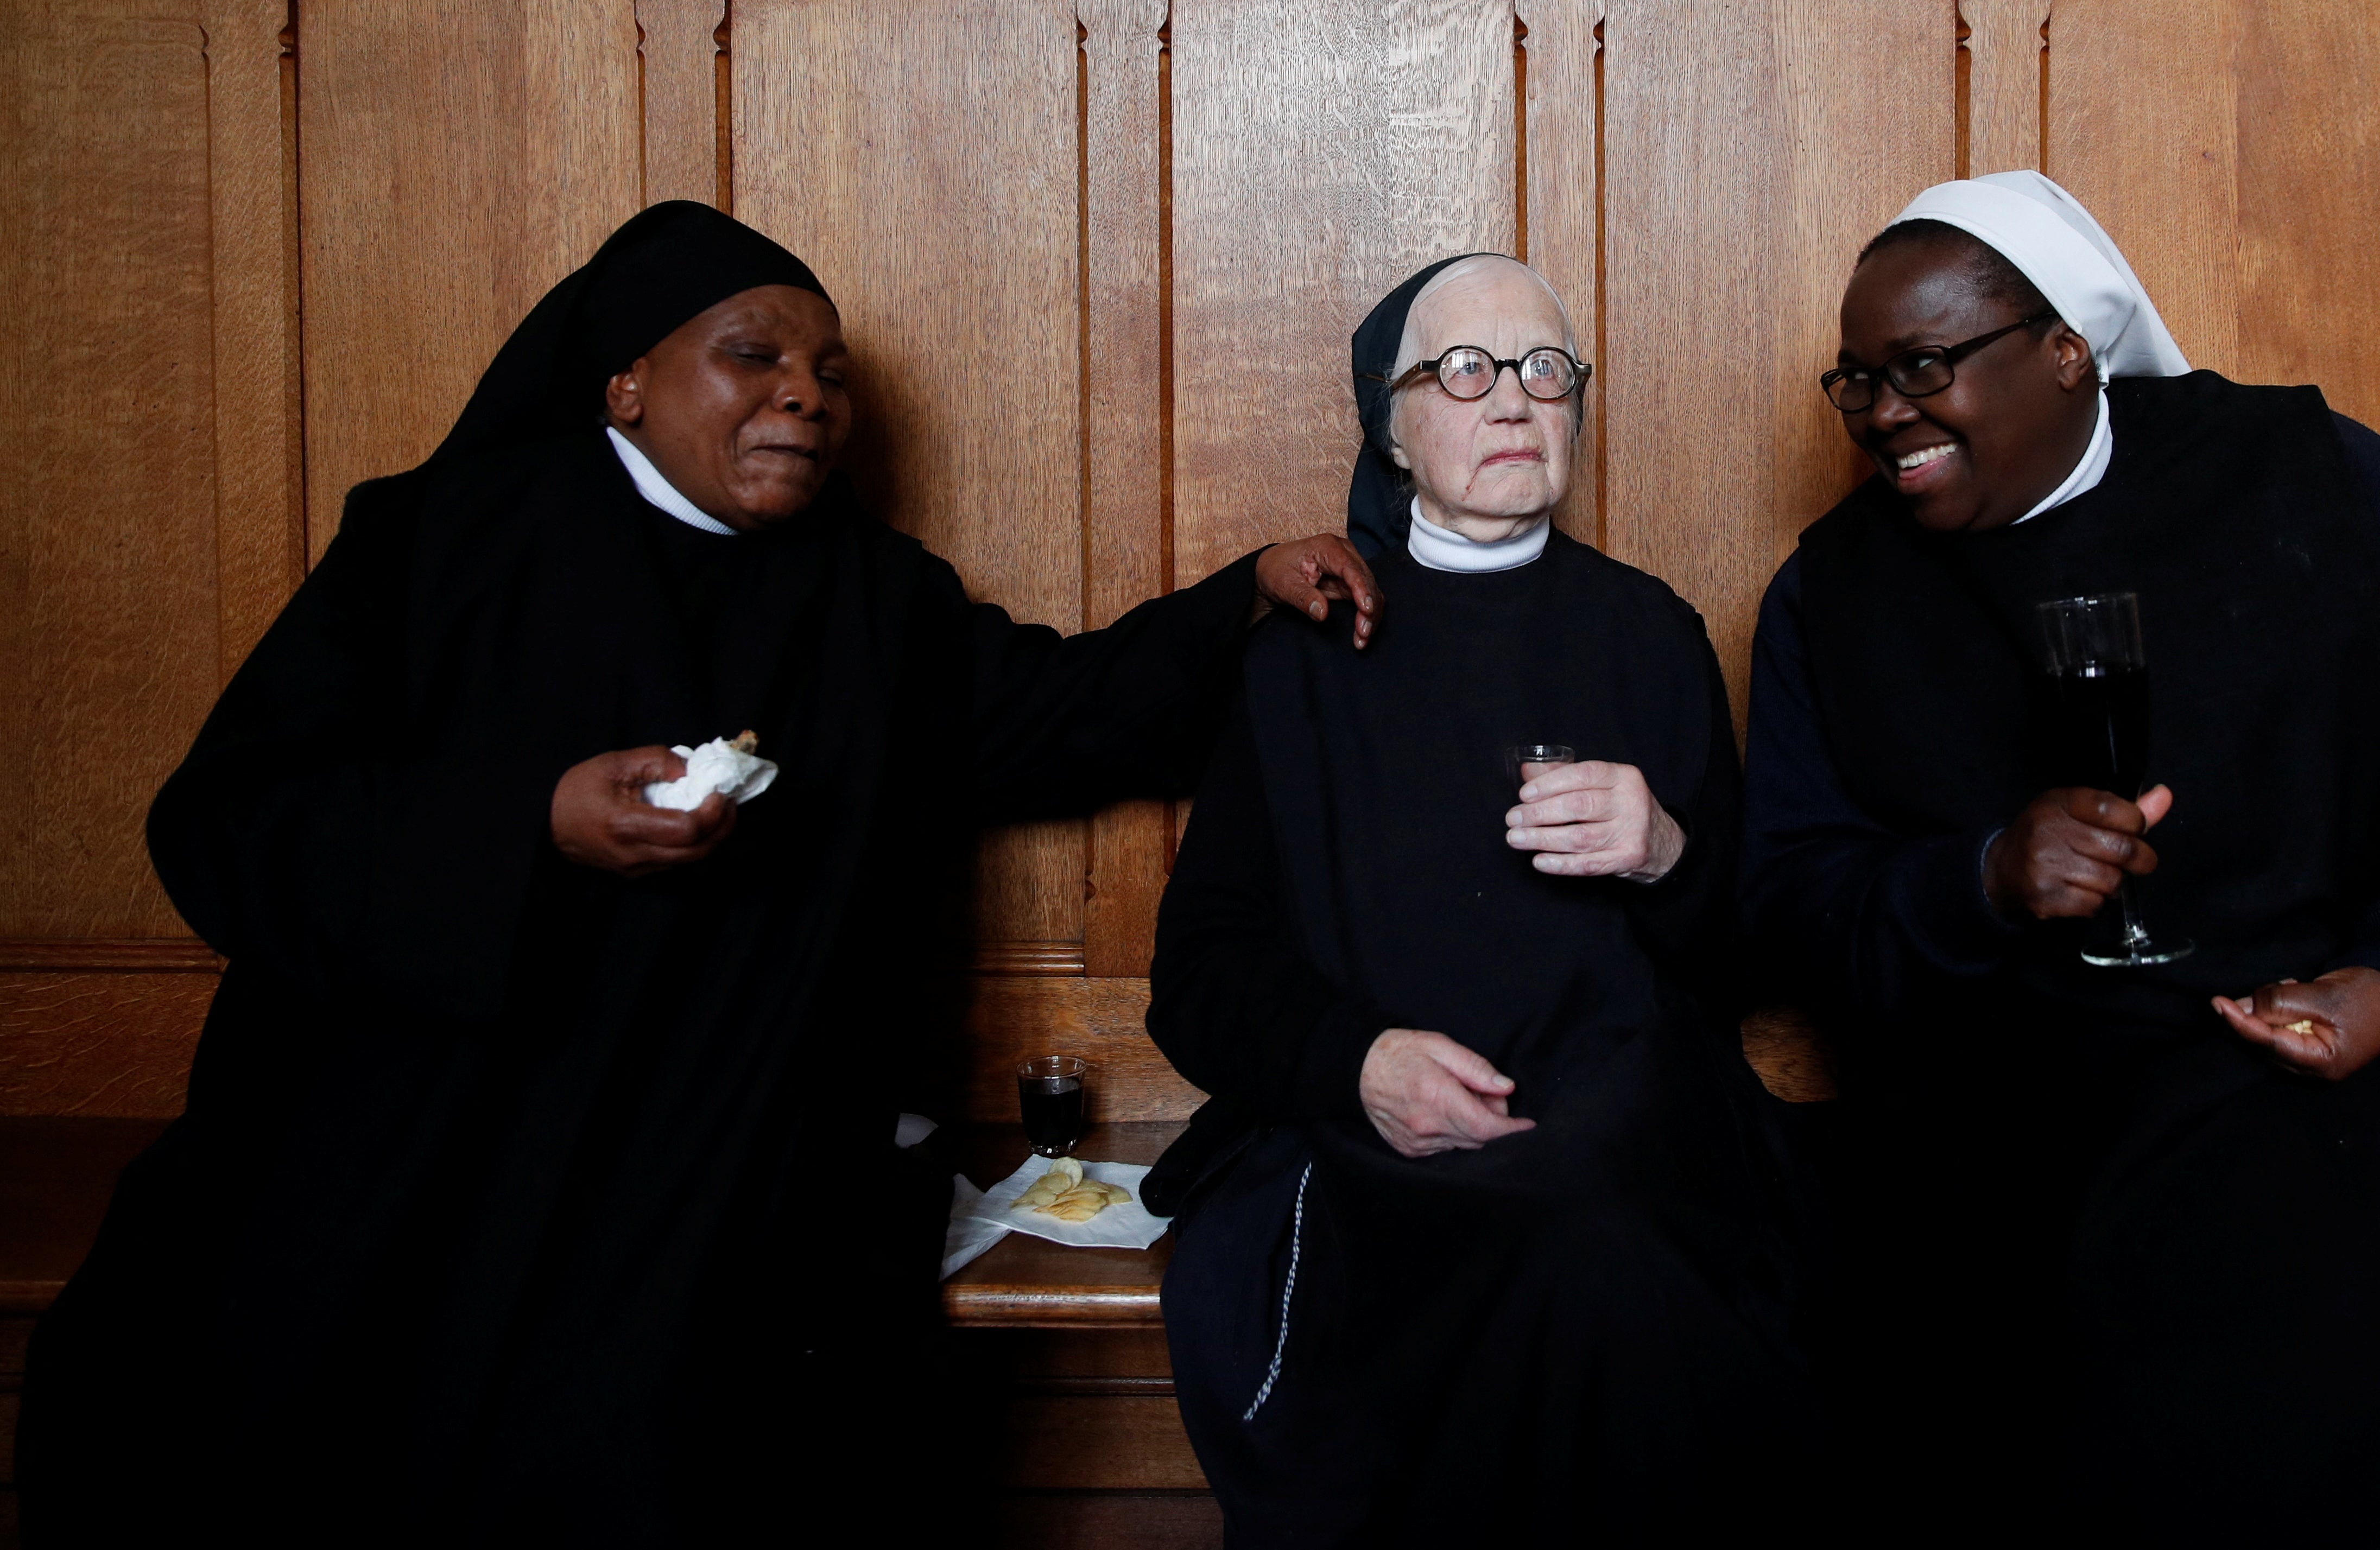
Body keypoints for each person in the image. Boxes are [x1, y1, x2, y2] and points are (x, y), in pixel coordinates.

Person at [16, 201, 1381, 1549]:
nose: (804, 394)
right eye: (754, 356)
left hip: (712, 1185)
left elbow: (1054, 714)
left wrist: (1246, 594)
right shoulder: (442, 544)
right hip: (440, 1159)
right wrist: (532, 821)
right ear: (624, 382)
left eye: (829, 375)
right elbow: (228, 821)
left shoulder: (873, 598)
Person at [1742, 173, 2380, 1548]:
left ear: (2067, 348)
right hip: (2049, 1097)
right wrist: (1981, 874)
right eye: (1858, 380)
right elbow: (1792, 895)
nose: (1885, 414)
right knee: (2237, 1378)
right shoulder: (1831, 593)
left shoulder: (2315, 475)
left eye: (1924, 367)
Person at [1144, 254, 1818, 1545]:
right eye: (1463, 370)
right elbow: (1203, 974)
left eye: (1544, 372)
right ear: (1389, 428)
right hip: (1373, 1152)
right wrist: (1359, 1062)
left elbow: (1737, 956)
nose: (1513, 401)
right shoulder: (1300, 657)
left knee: (1606, 1241)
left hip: (1624, 1135)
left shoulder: (1651, 633)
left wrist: (1667, 849)